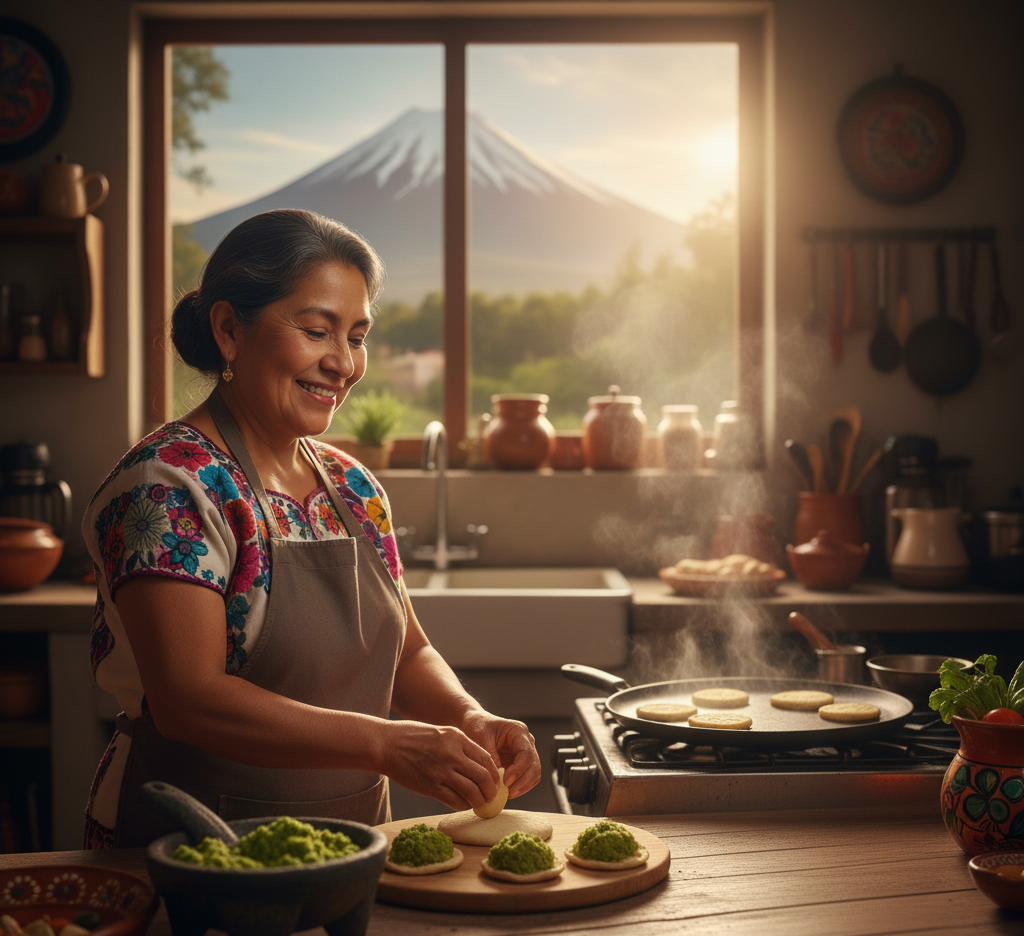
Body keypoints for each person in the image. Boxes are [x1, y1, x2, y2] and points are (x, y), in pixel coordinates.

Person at [82, 209, 541, 848]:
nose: (343, 364)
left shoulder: (352, 487)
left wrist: (470, 717)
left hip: (352, 851)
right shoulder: (169, 485)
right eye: (317, 331)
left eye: (356, 336)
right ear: (228, 329)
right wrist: (384, 742)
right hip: (190, 850)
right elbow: (189, 699)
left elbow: (408, 651)